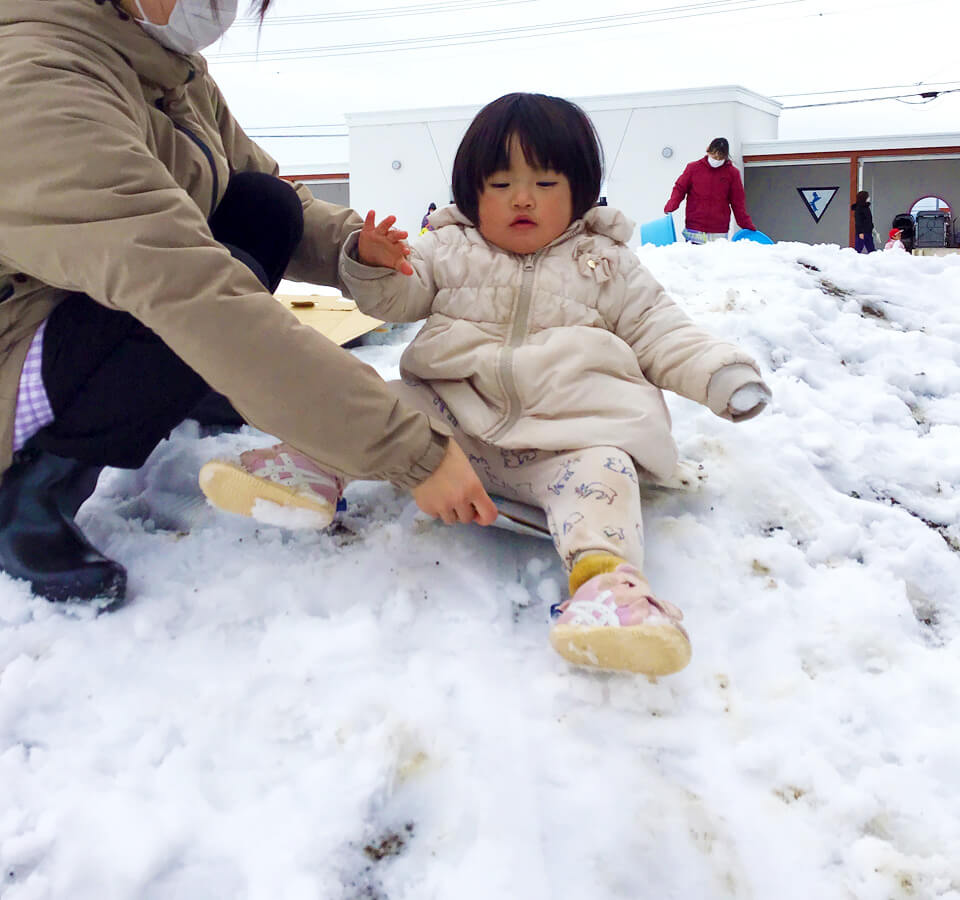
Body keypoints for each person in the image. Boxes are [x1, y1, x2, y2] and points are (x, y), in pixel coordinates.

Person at [201, 93, 772, 677]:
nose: (522, 198)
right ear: (471, 190)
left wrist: (721, 374)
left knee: (608, 473)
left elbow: (662, 332)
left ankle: (606, 589)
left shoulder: (606, 264)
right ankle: (309, 471)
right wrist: (374, 263)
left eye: (545, 182)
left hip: (568, 442)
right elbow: (399, 298)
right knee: (379, 402)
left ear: (580, 188)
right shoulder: (447, 248)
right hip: (449, 429)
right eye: (501, 184)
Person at [0, 0, 496, 608]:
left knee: (264, 208)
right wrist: (409, 451)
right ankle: (34, 493)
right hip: (17, 339)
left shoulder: (169, 68)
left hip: (98, 301)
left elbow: (258, 187)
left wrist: (353, 248)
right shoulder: (39, 80)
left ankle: (181, 387)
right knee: (201, 294)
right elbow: (190, 288)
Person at [664, 137, 756, 244]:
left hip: (719, 230)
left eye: (720, 157)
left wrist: (746, 224)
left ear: (726, 156)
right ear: (708, 150)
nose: (716, 160)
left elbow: (738, 202)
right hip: (695, 228)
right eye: (714, 155)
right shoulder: (693, 168)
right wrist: (671, 205)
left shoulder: (732, 173)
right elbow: (680, 188)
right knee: (695, 259)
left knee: (715, 260)